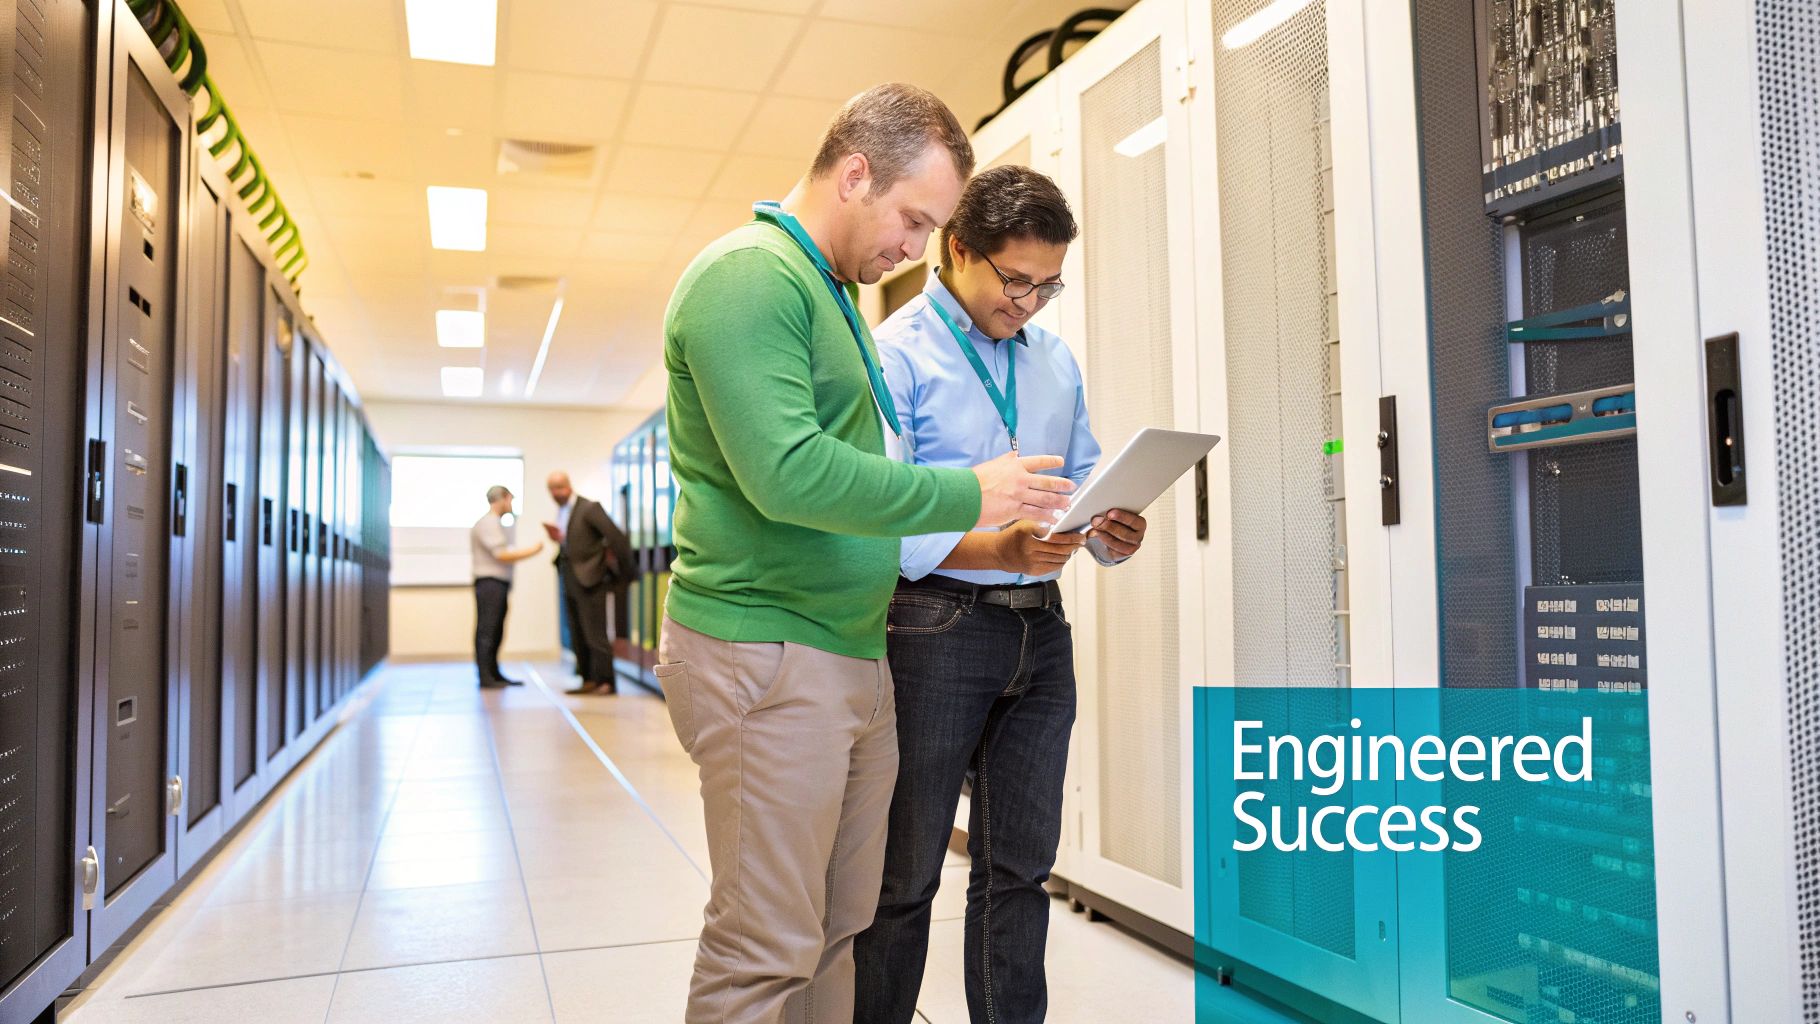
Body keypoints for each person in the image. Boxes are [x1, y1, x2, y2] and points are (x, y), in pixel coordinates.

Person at [659, 83, 1078, 1024]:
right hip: (767, 648)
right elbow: (790, 474)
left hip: (848, 649)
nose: (916, 251)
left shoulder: (829, 293)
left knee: (839, 928)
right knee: (764, 945)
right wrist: (971, 490)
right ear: (855, 175)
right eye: (913, 219)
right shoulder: (750, 279)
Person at [853, 165, 1149, 1024]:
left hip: (1041, 632)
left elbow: (1087, 476)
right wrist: (1000, 544)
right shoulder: (897, 352)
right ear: (958, 249)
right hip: (932, 628)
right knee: (903, 877)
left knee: (1019, 870)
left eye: (1047, 286)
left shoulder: (1054, 359)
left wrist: (1112, 529)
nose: (1027, 304)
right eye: (1014, 280)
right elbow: (889, 520)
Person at [544, 470, 635, 696]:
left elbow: (617, 538)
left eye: (559, 488)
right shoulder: (564, 512)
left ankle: (606, 682)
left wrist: (625, 574)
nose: (556, 493)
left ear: (568, 486)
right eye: (552, 490)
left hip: (592, 579)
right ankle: (588, 679)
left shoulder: (589, 507)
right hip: (570, 576)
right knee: (578, 631)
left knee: (595, 632)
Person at [469, 484, 544, 689]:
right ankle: (486, 676)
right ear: (502, 498)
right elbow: (501, 555)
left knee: (496, 629)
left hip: (497, 584)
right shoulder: (488, 523)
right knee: (488, 630)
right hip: (490, 583)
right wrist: (534, 550)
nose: (511, 504)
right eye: (510, 499)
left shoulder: (497, 524)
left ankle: (493, 673)